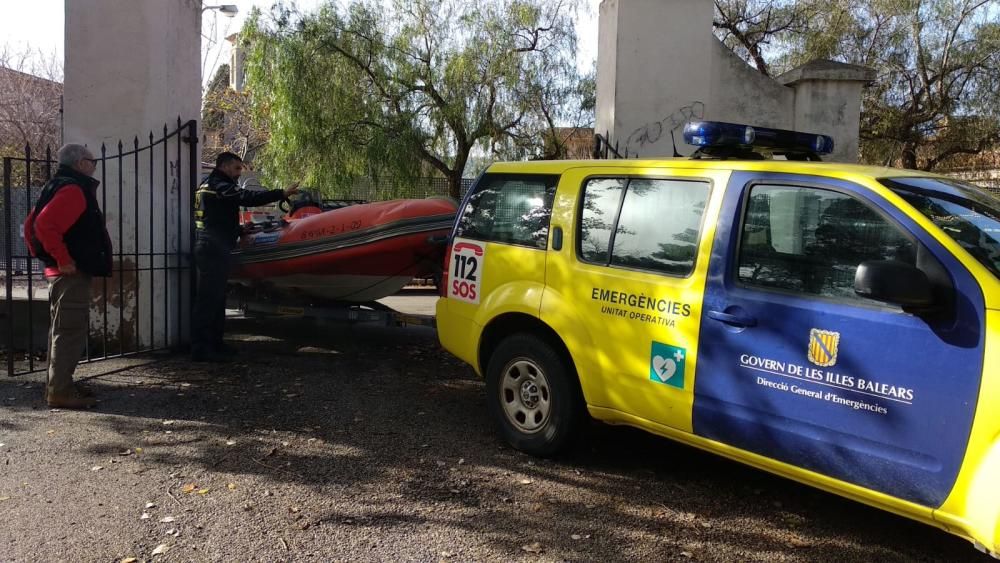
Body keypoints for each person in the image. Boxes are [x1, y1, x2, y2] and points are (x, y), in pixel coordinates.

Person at [24, 144, 113, 409]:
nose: (94, 166)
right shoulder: (74, 189)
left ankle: (59, 386)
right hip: (70, 273)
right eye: (92, 161)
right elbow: (43, 225)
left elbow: (31, 225)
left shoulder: (56, 185)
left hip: (63, 272)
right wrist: (62, 260)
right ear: (80, 164)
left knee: (62, 330)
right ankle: (60, 391)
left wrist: (49, 258)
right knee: (69, 331)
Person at [191, 152, 299, 362]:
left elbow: (215, 218)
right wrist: (281, 193)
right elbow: (247, 197)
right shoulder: (218, 185)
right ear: (225, 166)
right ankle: (201, 349)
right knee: (208, 301)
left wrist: (239, 230)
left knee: (216, 299)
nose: (239, 173)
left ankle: (215, 344)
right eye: (237, 168)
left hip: (212, 245)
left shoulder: (209, 185)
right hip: (211, 248)